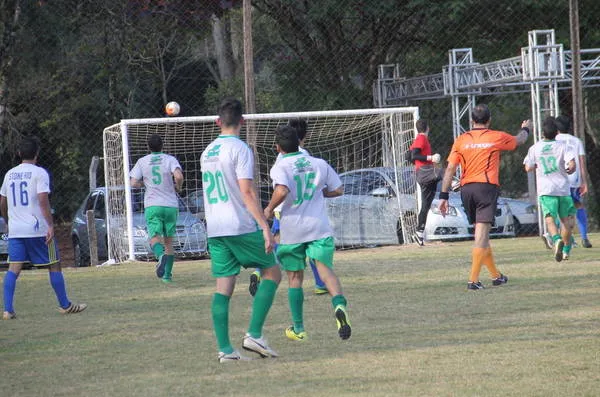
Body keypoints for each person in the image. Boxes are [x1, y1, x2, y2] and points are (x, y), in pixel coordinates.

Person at [201, 97, 281, 362]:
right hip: (239, 225)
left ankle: (226, 351)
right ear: (242, 121)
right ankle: (254, 335)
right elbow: (246, 191)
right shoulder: (240, 148)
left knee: (223, 286)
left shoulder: (207, 151)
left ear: (217, 121)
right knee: (272, 273)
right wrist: (264, 226)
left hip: (215, 228)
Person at [264, 124, 351, 341]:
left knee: (295, 278)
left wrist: (268, 208)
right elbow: (339, 189)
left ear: (278, 148)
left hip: (292, 229)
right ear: (299, 142)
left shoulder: (280, 166)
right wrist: (320, 194)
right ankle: (339, 305)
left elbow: (282, 190)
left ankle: (298, 328)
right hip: (318, 227)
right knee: (326, 271)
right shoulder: (318, 163)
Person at [438, 104, 531, 290]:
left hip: (466, 190)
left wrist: (444, 195)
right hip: (485, 187)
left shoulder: (461, 140)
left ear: (472, 121)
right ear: (489, 120)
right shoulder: (495, 136)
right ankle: (473, 280)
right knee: (481, 235)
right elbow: (519, 140)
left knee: (482, 233)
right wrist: (526, 128)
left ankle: (496, 276)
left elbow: (450, 168)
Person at [1, 136, 87, 319]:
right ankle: (65, 305)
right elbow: (42, 199)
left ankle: (8, 310)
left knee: (13, 269)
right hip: (37, 229)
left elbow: (2, 201)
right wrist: (50, 225)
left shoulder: (9, 174)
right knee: (54, 265)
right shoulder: (39, 173)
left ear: (18, 154)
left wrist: (8, 221)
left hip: (16, 230)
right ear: (37, 154)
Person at [249, 118, 328, 296]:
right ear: (304, 136)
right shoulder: (303, 156)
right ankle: (320, 283)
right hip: (296, 208)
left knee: (276, 240)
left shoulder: (282, 154)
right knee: (310, 244)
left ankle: (258, 270)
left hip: (281, 207)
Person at [130, 134, 184, 283]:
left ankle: (160, 256)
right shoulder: (170, 159)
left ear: (148, 147)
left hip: (153, 204)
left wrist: (144, 184)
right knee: (168, 242)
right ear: (162, 145)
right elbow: (178, 176)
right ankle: (167, 276)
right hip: (171, 205)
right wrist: (178, 187)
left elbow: (133, 183)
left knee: (154, 238)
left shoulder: (142, 161)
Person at [524, 116, 577, 262]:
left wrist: (536, 165)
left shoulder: (535, 148)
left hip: (546, 189)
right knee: (565, 220)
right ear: (557, 132)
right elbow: (571, 165)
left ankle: (556, 238)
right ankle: (566, 250)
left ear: (542, 133)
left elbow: (528, 167)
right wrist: (570, 170)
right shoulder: (564, 146)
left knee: (549, 218)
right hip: (563, 189)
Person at [555, 115, 592, 249]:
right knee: (578, 206)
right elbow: (582, 163)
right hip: (574, 180)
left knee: (561, 210)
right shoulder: (576, 141)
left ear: (556, 128)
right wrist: (584, 182)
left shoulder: (553, 140)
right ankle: (584, 237)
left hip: (558, 181)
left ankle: (564, 238)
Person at [409, 119, 442, 245]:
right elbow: (414, 156)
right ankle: (456, 184)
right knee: (444, 172)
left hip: (423, 172)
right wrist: (430, 158)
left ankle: (419, 233)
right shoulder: (421, 138)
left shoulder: (419, 140)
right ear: (428, 128)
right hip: (424, 171)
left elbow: (409, 156)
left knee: (426, 205)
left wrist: (420, 161)